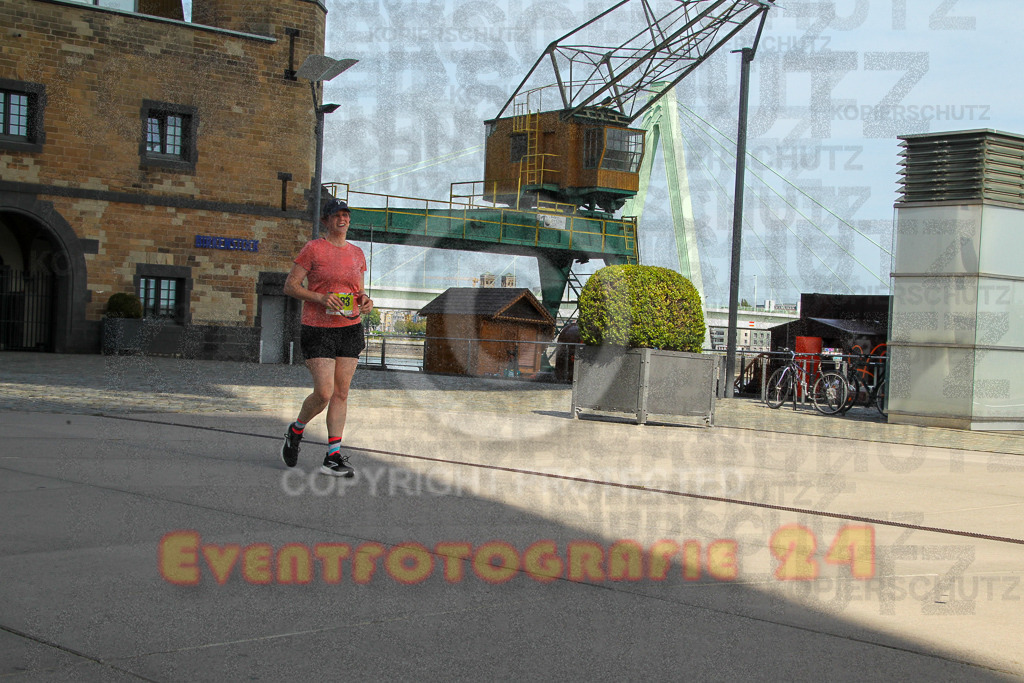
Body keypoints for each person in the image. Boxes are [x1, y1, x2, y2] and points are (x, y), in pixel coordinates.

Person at [280, 198, 373, 477]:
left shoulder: (357, 253)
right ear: (326, 221)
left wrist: (366, 301)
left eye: (346, 215)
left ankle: (332, 457)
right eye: (336, 215)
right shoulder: (313, 248)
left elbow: (358, 291)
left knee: (341, 393)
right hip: (317, 328)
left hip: (350, 327)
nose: (342, 219)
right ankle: (296, 430)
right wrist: (320, 297)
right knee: (324, 392)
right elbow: (291, 286)